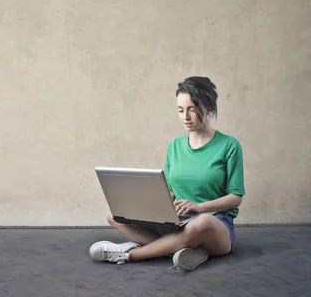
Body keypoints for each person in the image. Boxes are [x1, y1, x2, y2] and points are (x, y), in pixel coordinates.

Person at [89, 76, 245, 270]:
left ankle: (130, 254)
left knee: (201, 223)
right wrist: (149, 208)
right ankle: (187, 251)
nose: (185, 116)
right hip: (179, 221)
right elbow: (170, 191)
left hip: (216, 224)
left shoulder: (229, 145)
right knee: (115, 216)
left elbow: (236, 197)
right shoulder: (175, 146)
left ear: (210, 108)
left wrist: (200, 207)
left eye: (192, 109)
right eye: (180, 110)